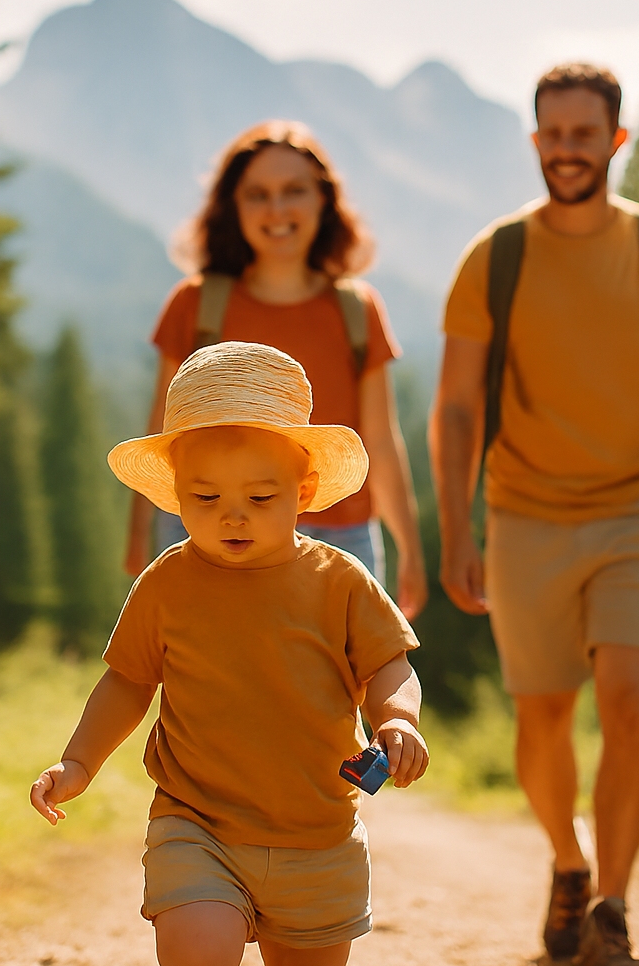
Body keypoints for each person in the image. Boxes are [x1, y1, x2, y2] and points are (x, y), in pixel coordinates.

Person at [429, 63, 639, 966]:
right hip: (525, 515)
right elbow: (453, 411)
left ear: (616, 140)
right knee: (544, 720)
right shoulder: (496, 259)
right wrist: (458, 532)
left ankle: (612, 909)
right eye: (552, 135)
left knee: (633, 699)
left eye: (584, 133)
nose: (567, 150)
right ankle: (567, 862)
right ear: (536, 144)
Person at [33, 341, 430, 966]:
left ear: (302, 493)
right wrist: (78, 762)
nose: (233, 516)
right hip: (198, 822)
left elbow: (391, 664)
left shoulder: (340, 581)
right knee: (197, 957)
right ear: (176, 494)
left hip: (318, 833)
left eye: (261, 497)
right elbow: (128, 680)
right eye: (207, 497)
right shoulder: (168, 583)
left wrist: (399, 719)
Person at [125, 120, 427, 619]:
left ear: (323, 201)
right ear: (233, 207)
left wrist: (409, 547)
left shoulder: (356, 310)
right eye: (258, 195)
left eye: (294, 191)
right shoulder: (197, 305)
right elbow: (162, 429)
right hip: (211, 529)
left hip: (338, 534)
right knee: (207, 685)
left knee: (332, 692)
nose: (277, 209)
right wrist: (141, 538)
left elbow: (380, 438)